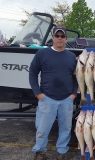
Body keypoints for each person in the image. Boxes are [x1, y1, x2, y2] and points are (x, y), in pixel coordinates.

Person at [29, 26, 78, 160]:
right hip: (47, 98)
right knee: (42, 129)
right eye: (57, 36)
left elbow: (76, 78)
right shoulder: (42, 54)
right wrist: (38, 93)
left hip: (66, 100)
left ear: (66, 39)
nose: (60, 39)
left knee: (65, 129)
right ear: (53, 37)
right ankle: (40, 152)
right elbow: (32, 73)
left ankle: (61, 152)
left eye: (63, 36)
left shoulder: (71, 56)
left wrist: (73, 94)